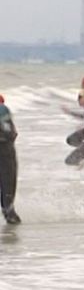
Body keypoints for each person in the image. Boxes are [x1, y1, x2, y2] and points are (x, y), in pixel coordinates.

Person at [0, 95, 21, 224]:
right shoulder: (2, 109)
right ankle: (9, 211)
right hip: (5, 149)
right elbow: (9, 132)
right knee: (8, 180)